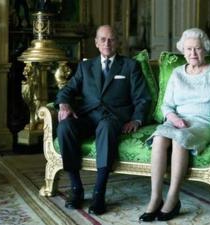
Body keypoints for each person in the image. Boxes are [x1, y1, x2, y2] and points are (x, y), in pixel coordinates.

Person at [139, 28, 210, 222]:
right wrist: (173, 119)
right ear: (183, 50)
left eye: (197, 49)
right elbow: (167, 105)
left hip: (205, 123)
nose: (193, 53)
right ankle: (155, 197)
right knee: (159, 137)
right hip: (178, 120)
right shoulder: (177, 73)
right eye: (188, 49)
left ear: (205, 49)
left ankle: (172, 198)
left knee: (180, 139)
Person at [56, 25, 151, 215]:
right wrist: (64, 104)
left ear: (118, 42)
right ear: (96, 43)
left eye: (111, 39)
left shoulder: (130, 66)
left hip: (113, 118)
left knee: (106, 128)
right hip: (87, 116)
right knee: (65, 126)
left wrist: (136, 120)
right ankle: (77, 189)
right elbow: (67, 90)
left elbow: (143, 98)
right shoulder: (85, 66)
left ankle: (99, 193)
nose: (107, 43)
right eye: (103, 39)